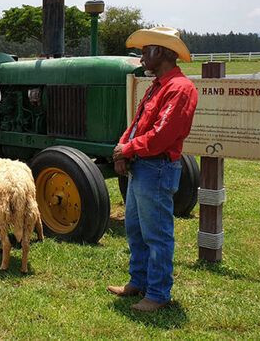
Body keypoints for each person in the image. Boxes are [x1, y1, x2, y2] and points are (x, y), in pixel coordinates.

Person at [107, 27, 198, 313]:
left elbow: (162, 135)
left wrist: (128, 149)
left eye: (147, 51)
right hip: (143, 166)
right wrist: (122, 147)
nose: (142, 56)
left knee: (157, 234)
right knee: (135, 229)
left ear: (164, 52)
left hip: (156, 168)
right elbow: (137, 124)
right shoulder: (158, 85)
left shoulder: (179, 88)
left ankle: (158, 294)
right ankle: (139, 281)